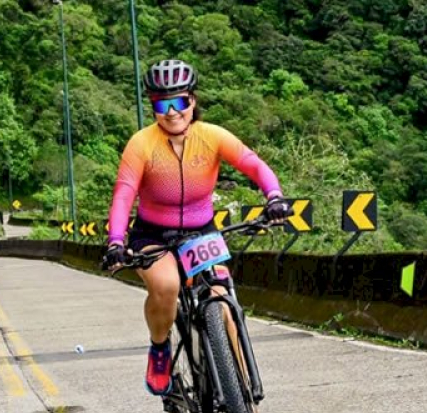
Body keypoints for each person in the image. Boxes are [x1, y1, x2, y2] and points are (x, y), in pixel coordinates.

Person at [102, 60, 291, 395]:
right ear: (153, 107)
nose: (172, 112)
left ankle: (244, 400)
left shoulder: (211, 136)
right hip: (153, 234)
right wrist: (116, 241)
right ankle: (160, 349)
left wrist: (274, 196)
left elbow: (252, 163)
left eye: (180, 101)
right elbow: (124, 193)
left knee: (223, 303)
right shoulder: (141, 143)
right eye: (162, 104)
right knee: (167, 285)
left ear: (193, 100)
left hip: (201, 231)